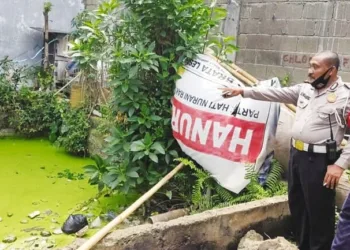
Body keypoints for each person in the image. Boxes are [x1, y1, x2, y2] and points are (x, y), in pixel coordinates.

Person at [221, 51, 350, 250]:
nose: (310, 71)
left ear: (331, 70)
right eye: (310, 65)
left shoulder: (344, 97)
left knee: (319, 214)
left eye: (315, 67)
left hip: (320, 162)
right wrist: (243, 91)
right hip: (297, 157)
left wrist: (340, 165)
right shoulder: (305, 90)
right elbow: (275, 94)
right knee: (298, 207)